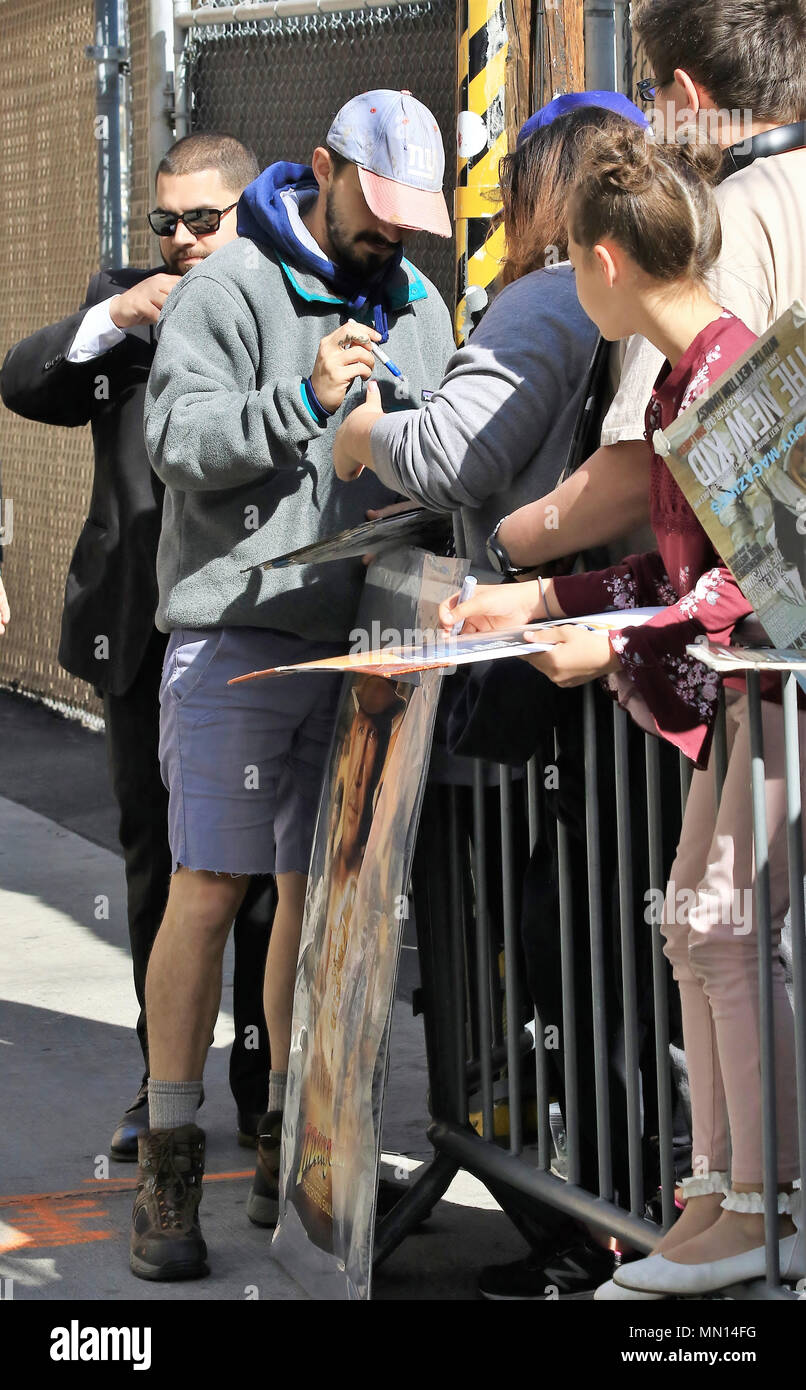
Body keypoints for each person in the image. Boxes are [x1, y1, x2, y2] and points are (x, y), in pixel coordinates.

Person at [439, 119, 805, 1298]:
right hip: (738, 702)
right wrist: (538, 603)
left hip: (774, 698)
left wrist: (612, 637)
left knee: (721, 932)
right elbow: (668, 572)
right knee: (696, 930)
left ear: (604, 262)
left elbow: (758, 573)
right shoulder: (684, 387)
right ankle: (719, 1192)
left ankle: (764, 1203)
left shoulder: (734, 374)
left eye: (567, 261)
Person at [134, 90, 455, 1281]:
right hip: (239, 636)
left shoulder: (415, 297)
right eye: (376, 212)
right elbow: (178, 441)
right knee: (210, 887)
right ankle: (170, 1155)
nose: (393, 239)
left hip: (368, 641)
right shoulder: (230, 287)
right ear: (321, 170)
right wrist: (301, 402)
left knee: (315, 900)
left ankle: (284, 1133)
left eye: (411, 221)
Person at [0, 132, 277, 1159]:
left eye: (204, 220)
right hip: (137, 636)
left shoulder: (275, 298)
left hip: (244, 621)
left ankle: (261, 1086)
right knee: (157, 869)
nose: (182, 240)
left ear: (246, 213)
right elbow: (24, 383)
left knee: (254, 873)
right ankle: (161, 1087)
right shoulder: (129, 309)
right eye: (167, 222)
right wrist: (115, 313)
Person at [486, 0, 806, 579]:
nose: (650, 115)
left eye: (650, 93)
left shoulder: (723, 220)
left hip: (733, 637)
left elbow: (644, 467)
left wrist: (509, 546)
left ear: (686, 97)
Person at [331, 92, 649, 561]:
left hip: (541, 612)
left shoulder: (549, 293)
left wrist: (359, 432)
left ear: (539, 192)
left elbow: (444, 458)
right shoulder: (642, 285)